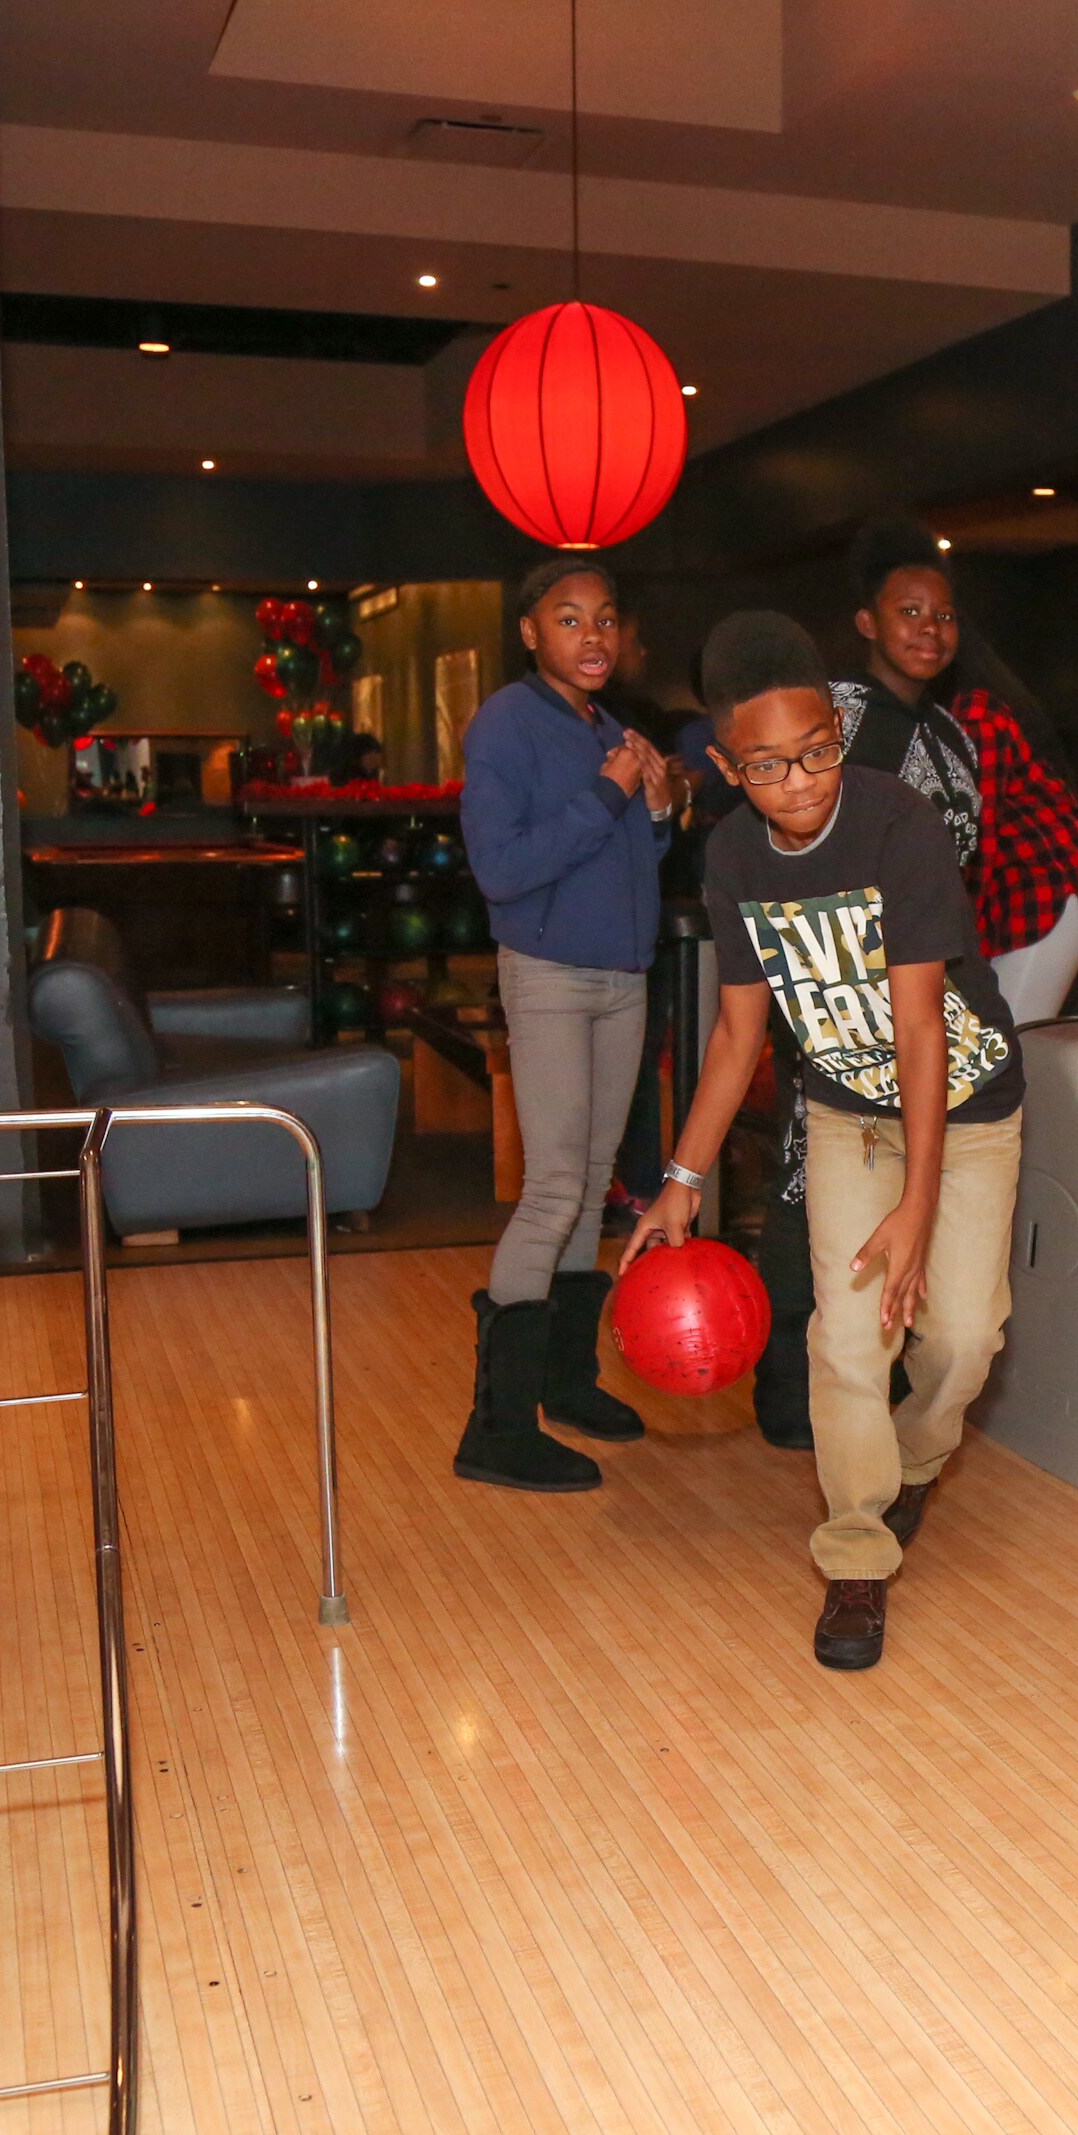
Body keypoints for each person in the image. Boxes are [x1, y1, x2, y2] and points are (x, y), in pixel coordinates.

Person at [630, 612, 1028, 1673]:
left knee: (962, 1342)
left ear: (837, 734)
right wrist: (681, 1180)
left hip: (966, 1109)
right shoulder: (732, 858)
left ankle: (916, 1464)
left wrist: (921, 1204)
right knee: (849, 1345)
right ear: (726, 766)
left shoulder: (897, 825)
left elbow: (917, 1032)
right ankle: (857, 1556)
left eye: (817, 752)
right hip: (848, 1119)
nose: (800, 781)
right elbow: (738, 1031)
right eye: (768, 765)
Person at [454, 556, 678, 1493]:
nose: (593, 636)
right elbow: (502, 869)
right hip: (548, 977)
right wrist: (611, 793)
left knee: (592, 1189)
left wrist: (660, 811)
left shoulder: (616, 728)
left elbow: (633, 856)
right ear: (532, 633)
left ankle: (565, 1382)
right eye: (569, 619)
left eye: (606, 620)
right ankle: (496, 1428)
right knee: (551, 1190)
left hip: (621, 980)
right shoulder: (509, 722)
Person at [834, 522, 1078, 1024]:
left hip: (1039, 889)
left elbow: (973, 852)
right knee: (992, 1045)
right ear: (867, 622)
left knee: (1002, 1043)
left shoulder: (959, 723)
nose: (930, 627)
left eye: (945, 615)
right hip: (872, 942)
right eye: (909, 612)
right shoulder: (843, 713)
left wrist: (961, 957)